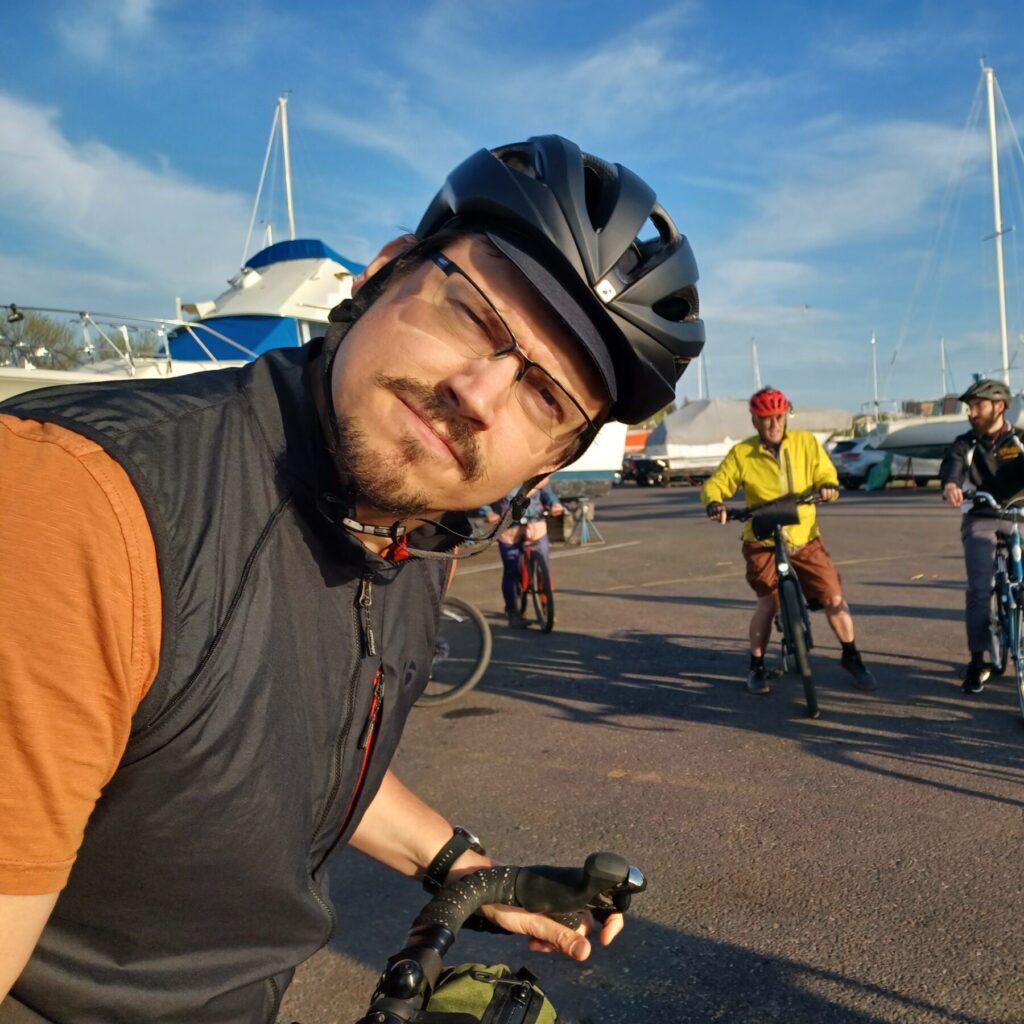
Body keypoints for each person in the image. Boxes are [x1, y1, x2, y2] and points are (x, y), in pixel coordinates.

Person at [0, 135, 705, 1021]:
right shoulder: (82, 502)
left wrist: (464, 873)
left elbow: (283, 755)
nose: (478, 395)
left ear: (550, 465)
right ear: (381, 274)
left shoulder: (412, 535)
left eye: (546, 398)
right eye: (476, 316)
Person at [701, 387, 877, 695]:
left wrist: (827, 486)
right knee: (767, 602)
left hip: (803, 537)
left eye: (779, 417)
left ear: (787, 416)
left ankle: (852, 655)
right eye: (766, 419)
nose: (774, 425)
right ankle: (756, 666)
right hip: (762, 539)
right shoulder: (743, 453)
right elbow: (717, 483)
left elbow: (826, 472)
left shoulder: (806, 443)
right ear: (755, 420)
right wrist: (715, 503)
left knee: (833, 597)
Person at [940, 378, 1024, 694]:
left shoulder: (1019, 441)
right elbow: (953, 465)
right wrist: (951, 485)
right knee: (979, 589)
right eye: (970, 407)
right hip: (982, 517)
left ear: (999, 406)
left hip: (1019, 515)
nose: (971, 412)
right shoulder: (966, 443)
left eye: (978, 405)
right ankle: (978, 660)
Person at [486, 476, 564, 627]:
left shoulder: (535, 471)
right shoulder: (500, 472)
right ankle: (513, 611)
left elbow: (547, 492)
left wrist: (555, 504)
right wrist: (488, 512)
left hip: (535, 523)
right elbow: (482, 495)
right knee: (512, 570)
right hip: (508, 527)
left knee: (544, 568)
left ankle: (546, 605)